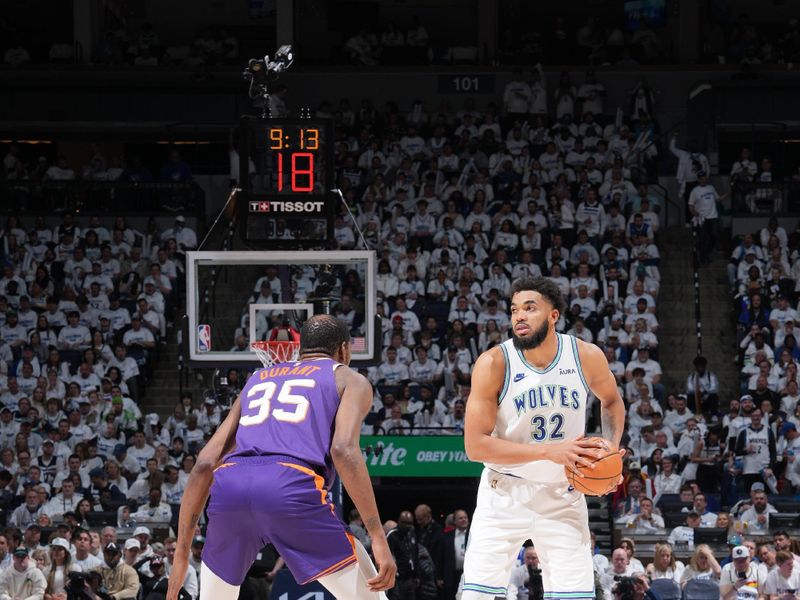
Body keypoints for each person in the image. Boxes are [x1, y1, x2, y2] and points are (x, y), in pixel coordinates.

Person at [167, 315, 396, 600]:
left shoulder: (257, 379)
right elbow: (343, 450)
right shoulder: (349, 378)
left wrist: (180, 556)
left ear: (300, 349)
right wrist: (377, 537)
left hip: (230, 487)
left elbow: (203, 463)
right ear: (344, 350)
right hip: (289, 485)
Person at [462, 277, 625, 599]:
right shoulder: (494, 362)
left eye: (530, 308)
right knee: (478, 595)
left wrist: (611, 448)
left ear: (554, 315)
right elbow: (475, 446)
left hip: (563, 494)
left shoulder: (585, 356)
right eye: (514, 310)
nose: (519, 316)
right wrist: (550, 451)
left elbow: (612, 401)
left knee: (574, 595)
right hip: (504, 494)